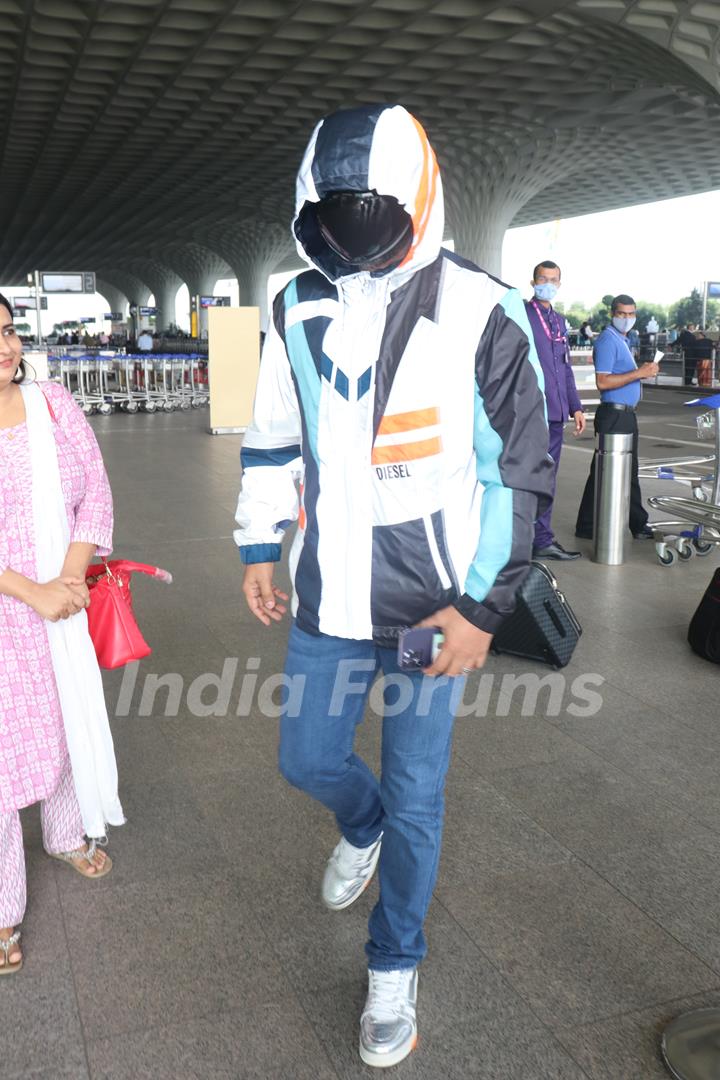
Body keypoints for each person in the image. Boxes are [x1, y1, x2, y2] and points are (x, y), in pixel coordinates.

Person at [234, 104, 553, 1069]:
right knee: (305, 760)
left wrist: (483, 609)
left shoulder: (486, 308)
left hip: (434, 613)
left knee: (419, 793)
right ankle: (356, 823)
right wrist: (259, 544)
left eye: (374, 204)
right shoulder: (294, 307)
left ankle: (393, 964)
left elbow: (522, 471)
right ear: (311, 206)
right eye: (338, 207)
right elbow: (273, 435)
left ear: (418, 198)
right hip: (329, 601)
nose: (357, 223)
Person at [0, 294, 124, 975]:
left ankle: (66, 831)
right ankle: (2, 904)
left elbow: (95, 492)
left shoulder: (54, 404)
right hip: (9, 603)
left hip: (61, 598)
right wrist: (35, 592)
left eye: (9, 331)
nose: (6, 348)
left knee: (64, 714)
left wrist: (71, 580)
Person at [575, 294, 659, 540]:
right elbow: (603, 382)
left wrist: (640, 372)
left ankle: (590, 524)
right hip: (614, 414)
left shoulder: (622, 340)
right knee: (615, 471)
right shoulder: (608, 341)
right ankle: (636, 523)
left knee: (610, 470)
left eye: (631, 314)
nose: (627, 318)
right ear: (613, 314)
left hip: (623, 414)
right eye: (622, 313)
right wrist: (638, 373)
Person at [525, 260, 586, 560]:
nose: (548, 283)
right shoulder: (522, 314)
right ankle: (529, 538)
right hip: (530, 411)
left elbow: (565, 367)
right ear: (533, 281)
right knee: (527, 475)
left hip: (555, 413)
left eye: (553, 279)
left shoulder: (560, 321)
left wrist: (575, 406)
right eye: (542, 278)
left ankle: (541, 538)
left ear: (559, 284)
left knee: (548, 477)